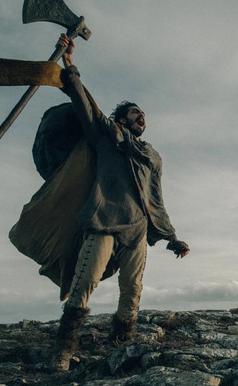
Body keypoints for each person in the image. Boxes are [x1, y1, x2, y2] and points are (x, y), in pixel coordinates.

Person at [51, 33, 190, 371]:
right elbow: (84, 104)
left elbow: (155, 198)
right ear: (122, 118)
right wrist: (70, 64)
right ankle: (62, 352)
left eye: (143, 113)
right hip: (103, 220)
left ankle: (121, 343)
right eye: (133, 113)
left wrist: (171, 238)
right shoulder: (105, 136)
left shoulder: (151, 155)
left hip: (137, 229)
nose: (141, 116)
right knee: (84, 283)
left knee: (133, 291)